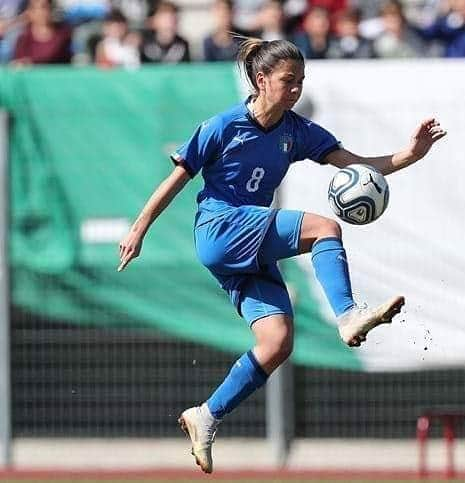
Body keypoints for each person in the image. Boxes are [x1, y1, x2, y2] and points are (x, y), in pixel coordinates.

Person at [117, 38, 446, 474]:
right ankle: (348, 315)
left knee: (276, 343)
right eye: (288, 81)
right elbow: (178, 177)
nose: (295, 90)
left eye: (301, 82)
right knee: (325, 227)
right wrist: (139, 229)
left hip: (244, 247)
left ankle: (206, 415)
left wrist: (412, 154)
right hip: (221, 228)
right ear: (261, 79)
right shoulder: (223, 126)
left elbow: (358, 166)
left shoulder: (296, 130)